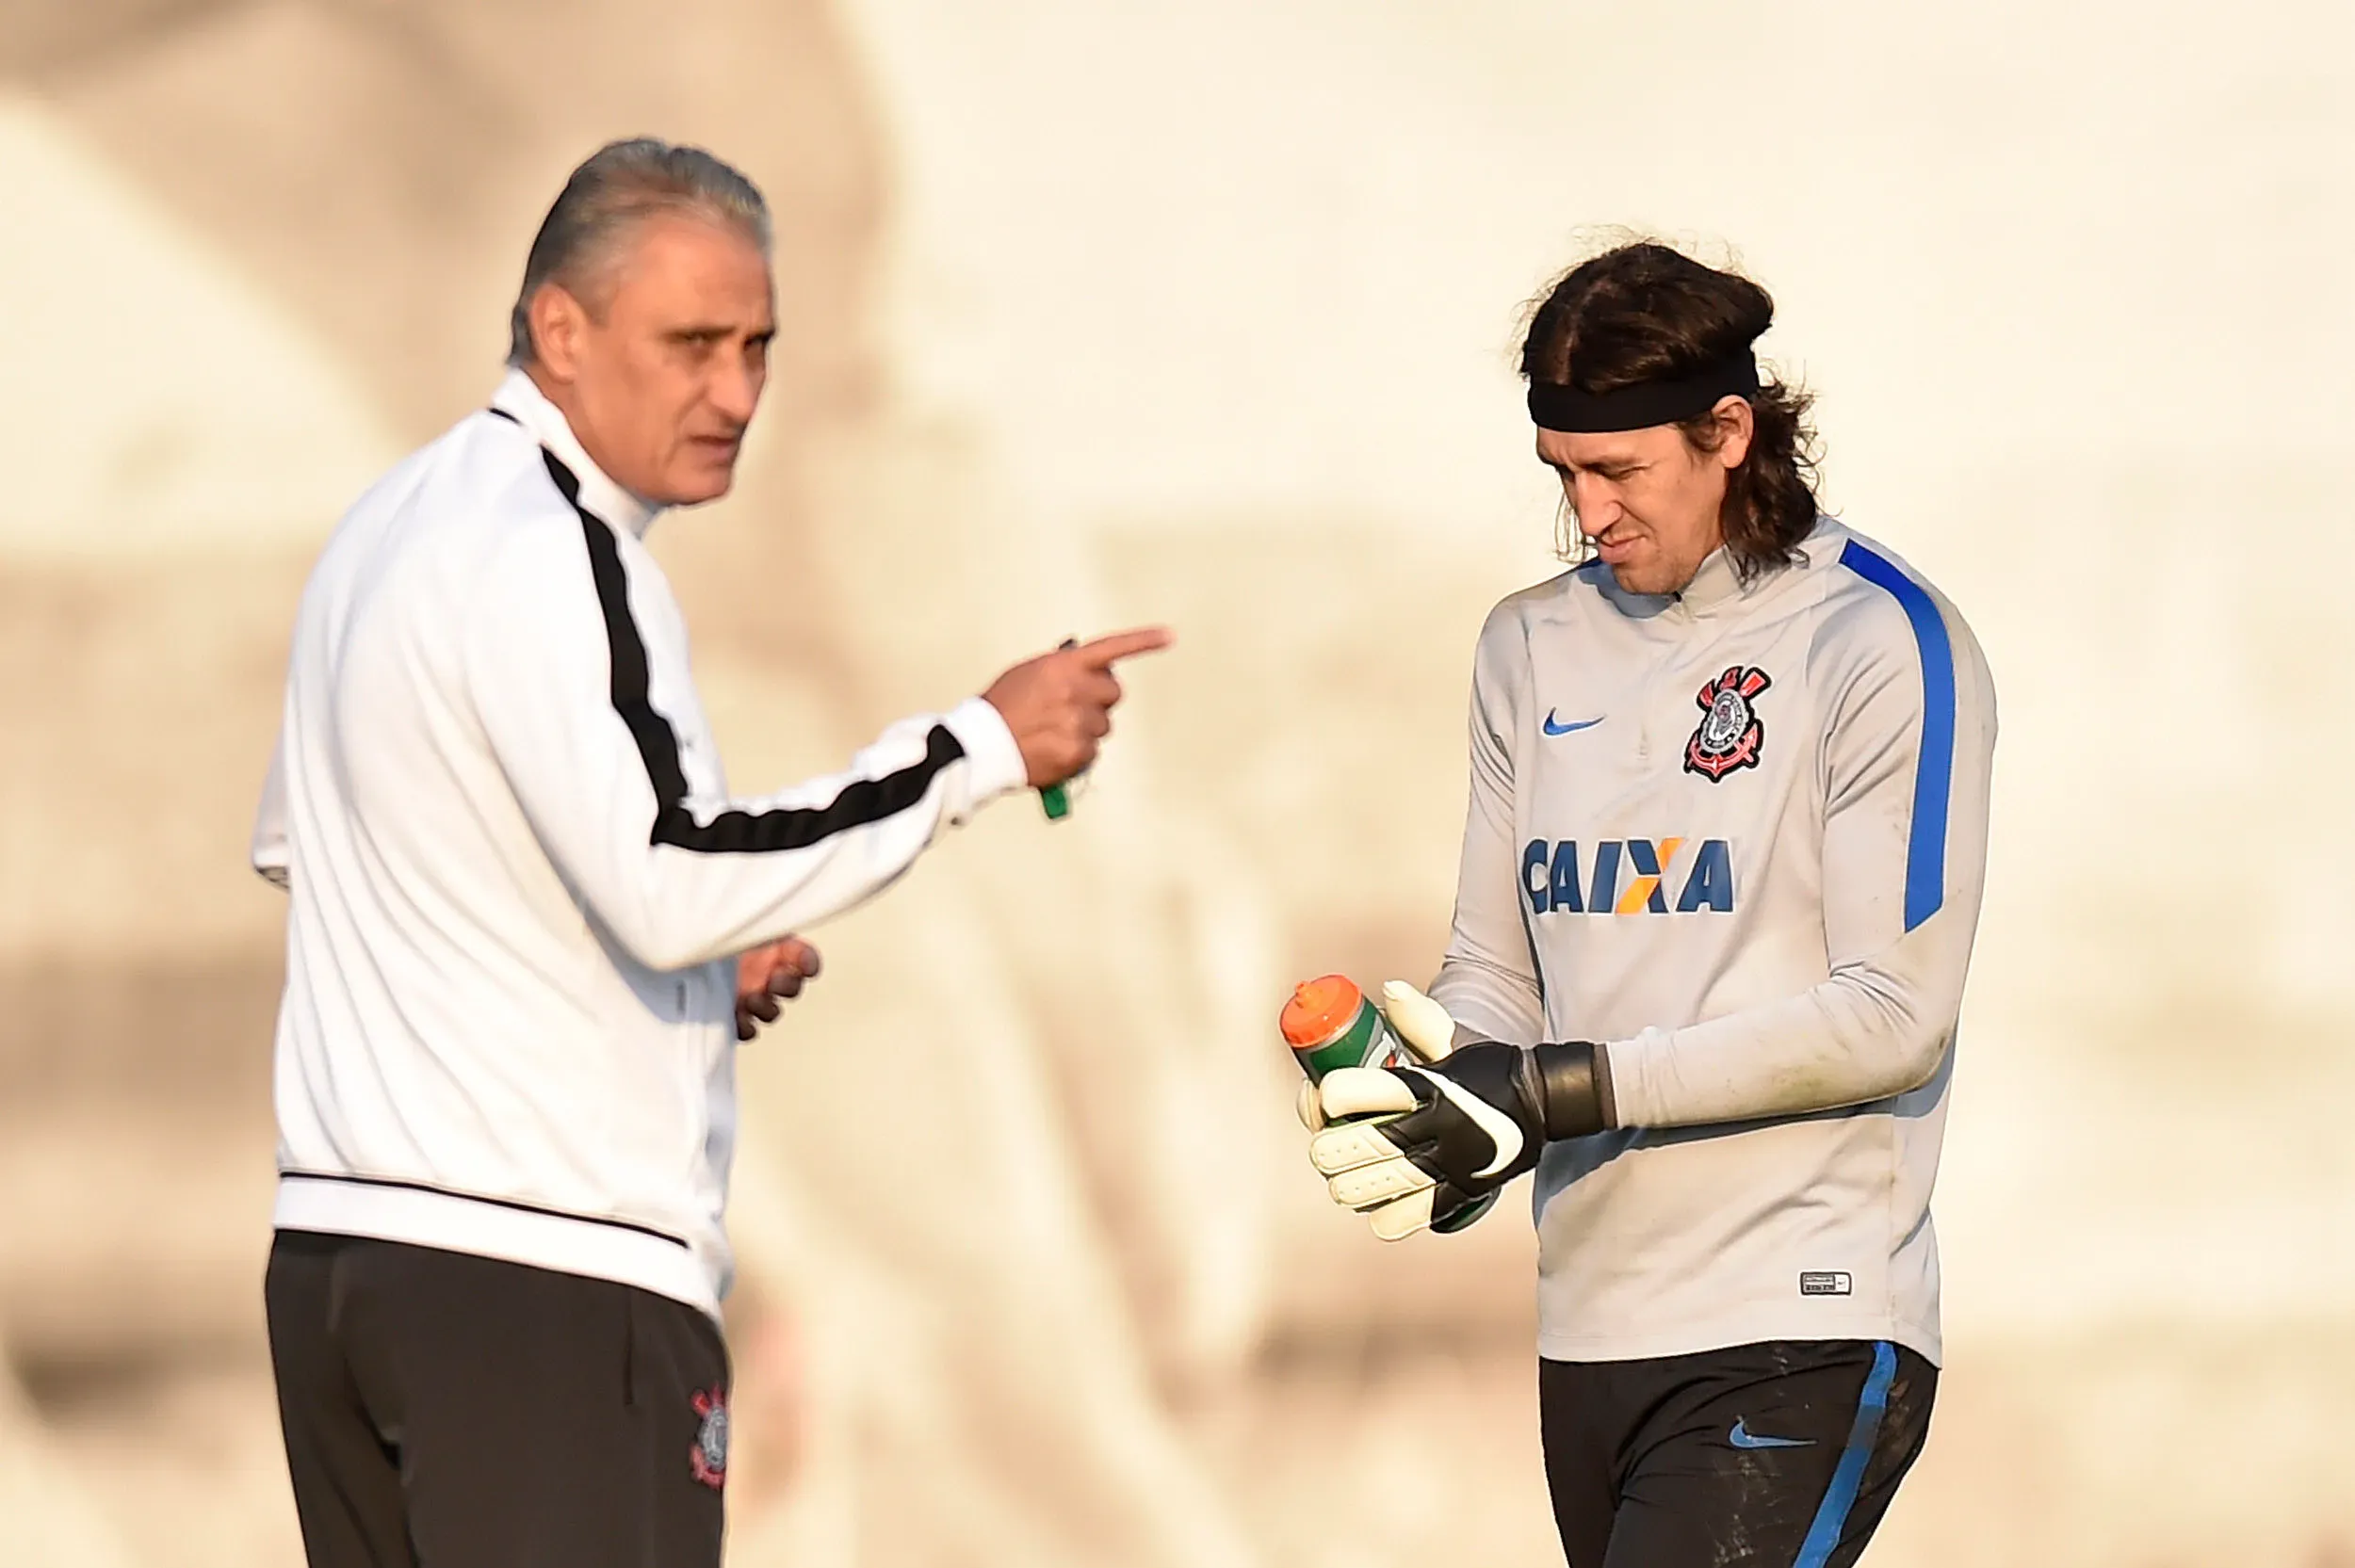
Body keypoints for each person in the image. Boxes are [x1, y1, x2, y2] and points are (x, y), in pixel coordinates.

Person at [248, 137, 1167, 1568]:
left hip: (343, 1278)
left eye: (757, 348)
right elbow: (671, 878)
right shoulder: (562, 554)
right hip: (543, 1288)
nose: (735, 395)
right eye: (691, 345)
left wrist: (659, 987)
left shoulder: (384, 532)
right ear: (559, 330)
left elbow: (338, 856)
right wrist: (984, 743)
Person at [1299, 241, 1996, 1566]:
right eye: (1562, 471)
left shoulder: (1876, 639)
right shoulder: (1526, 643)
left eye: (1618, 470)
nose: (1588, 512)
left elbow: (1894, 1016)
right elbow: (1497, 967)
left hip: (1801, 1319)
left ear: (1728, 432)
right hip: (1590, 1329)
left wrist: (1554, 1092)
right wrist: (1451, 1108)